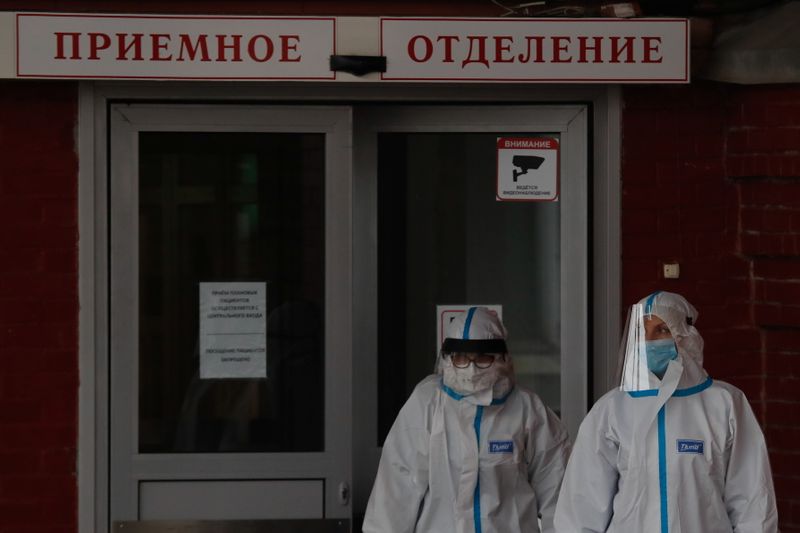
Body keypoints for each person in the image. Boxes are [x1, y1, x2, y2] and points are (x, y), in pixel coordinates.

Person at [554, 291, 778, 533]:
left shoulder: (725, 405)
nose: (649, 341)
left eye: (661, 330)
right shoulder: (611, 411)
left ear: (685, 335)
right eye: (642, 332)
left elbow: (753, 503)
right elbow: (581, 509)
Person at [363, 306, 570, 533]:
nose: (471, 369)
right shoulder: (427, 406)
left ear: (502, 358)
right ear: (447, 358)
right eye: (461, 358)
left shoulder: (528, 410)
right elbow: (395, 495)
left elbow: (558, 494)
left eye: (482, 358)